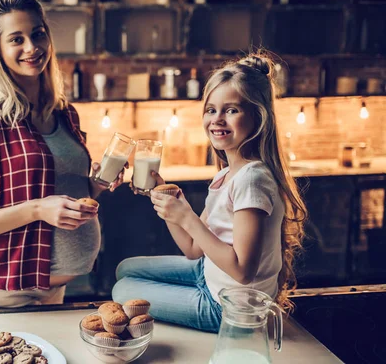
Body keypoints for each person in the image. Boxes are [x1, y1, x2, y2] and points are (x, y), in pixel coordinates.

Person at [0, 0, 123, 308]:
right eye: (17, 39)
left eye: (38, 34)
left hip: (54, 288)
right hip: (9, 287)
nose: (32, 47)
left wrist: (98, 185)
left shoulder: (64, 112)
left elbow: (63, 192)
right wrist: (38, 209)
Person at [112, 54, 307, 333]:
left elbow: (243, 271)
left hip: (229, 308)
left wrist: (188, 217)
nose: (217, 119)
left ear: (258, 116)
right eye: (211, 110)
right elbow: (193, 250)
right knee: (126, 269)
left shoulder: (252, 179)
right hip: (210, 274)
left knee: (124, 289)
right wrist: (169, 204)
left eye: (231, 110)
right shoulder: (228, 173)